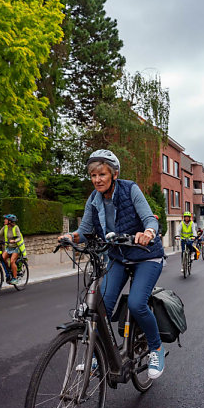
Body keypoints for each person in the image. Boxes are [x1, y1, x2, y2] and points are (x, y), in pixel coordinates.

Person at [59, 149, 165, 379]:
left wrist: (148, 231)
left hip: (146, 255)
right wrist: (72, 237)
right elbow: (85, 231)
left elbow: (148, 217)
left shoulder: (130, 189)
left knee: (137, 304)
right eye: (93, 175)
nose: (97, 180)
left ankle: (156, 348)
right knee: (101, 305)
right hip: (118, 256)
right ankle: (99, 356)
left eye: (102, 175)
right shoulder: (94, 199)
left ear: (114, 174)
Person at [0, 214, 27, 284]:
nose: (4, 220)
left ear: (10, 221)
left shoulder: (16, 228)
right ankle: (9, 273)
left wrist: (14, 241)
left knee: (12, 261)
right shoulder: (5, 227)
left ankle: (15, 278)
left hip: (16, 248)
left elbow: (19, 238)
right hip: (9, 248)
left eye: (5, 219)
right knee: (2, 259)